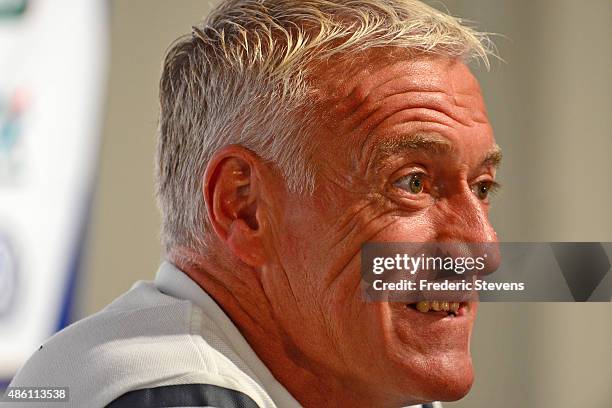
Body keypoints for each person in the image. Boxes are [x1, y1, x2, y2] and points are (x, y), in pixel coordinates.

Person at [8, 1, 501, 407]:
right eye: (412, 183)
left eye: (482, 187)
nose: (483, 247)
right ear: (243, 208)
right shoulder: (169, 393)